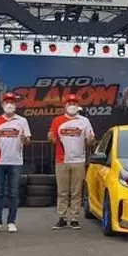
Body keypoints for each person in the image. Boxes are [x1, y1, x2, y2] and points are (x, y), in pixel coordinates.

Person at [48, 94, 95, 230]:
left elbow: (90, 140)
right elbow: (53, 140)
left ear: (78, 106)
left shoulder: (84, 121)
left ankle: (74, 218)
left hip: (79, 160)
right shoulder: (57, 120)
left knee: (76, 191)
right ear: (65, 106)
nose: (72, 106)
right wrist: (50, 138)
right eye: (69, 103)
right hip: (61, 160)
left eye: (74, 103)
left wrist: (91, 140)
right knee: (62, 191)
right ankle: (62, 218)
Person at [0, 93, 31, 233]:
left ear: (16, 105)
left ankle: (11, 222)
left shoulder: (22, 121)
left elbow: (28, 140)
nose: (9, 104)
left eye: (12, 102)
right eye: (7, 102)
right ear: (2, 105)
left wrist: (25, 140)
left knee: (13, 193)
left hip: (15, 161)